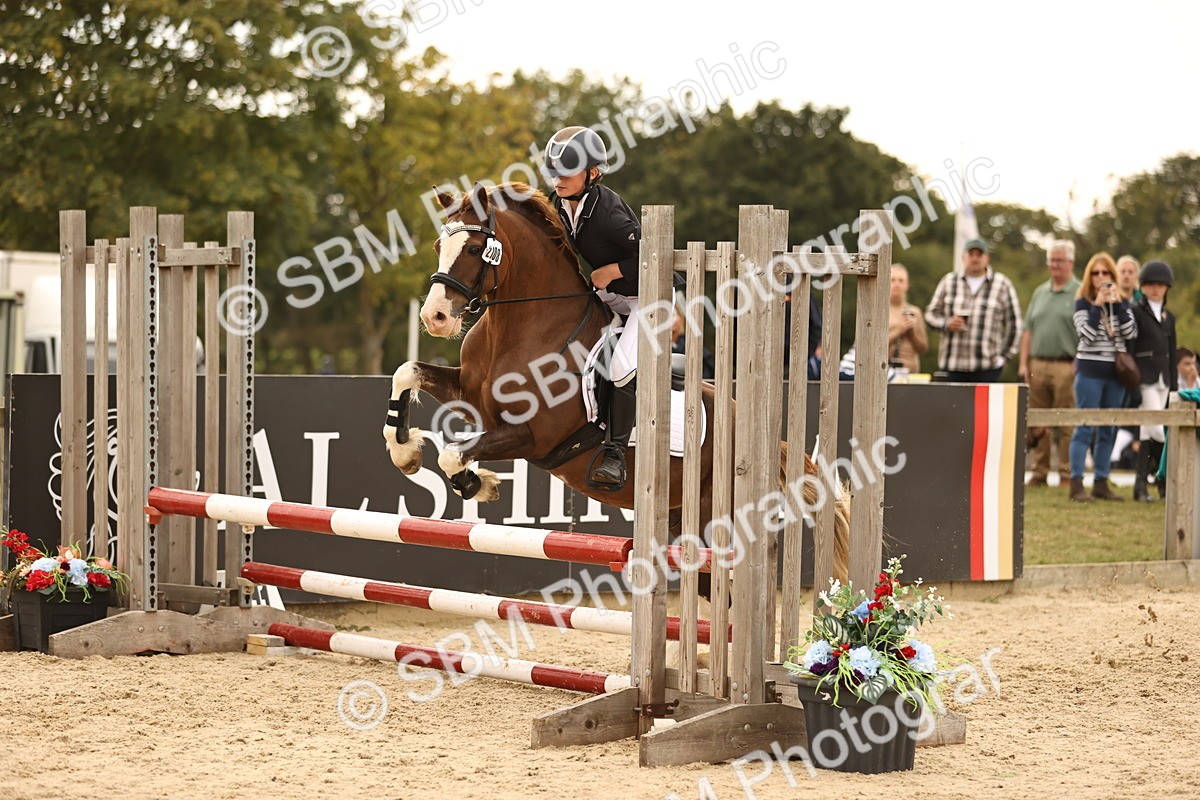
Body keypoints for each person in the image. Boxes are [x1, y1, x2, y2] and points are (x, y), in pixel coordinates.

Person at [545, 125, 640, 488]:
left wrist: (612, 270)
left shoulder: (608, 213)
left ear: (593, 173)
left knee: (620, 366)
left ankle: (615, 455)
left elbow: (658, 257)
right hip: (611, 298)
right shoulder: (560, 205)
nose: (558, 179)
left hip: (648, 300)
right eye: (554, 172)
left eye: (566, 172)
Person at [1068, 252, 1137, 503]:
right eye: (1096, 273)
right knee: (1084, 427)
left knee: (1109, 428)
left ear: (1112, 276)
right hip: (1089, 373)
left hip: (1115, 375)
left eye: (1105, 273)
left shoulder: (1122, 304)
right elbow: (1085, 335)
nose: (1101, 278)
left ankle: (1101, 481)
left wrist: (1117, 305)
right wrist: (1097, 305)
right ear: (1089, 277)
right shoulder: (1082, 303)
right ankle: (1076, 483)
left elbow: (1130, 333)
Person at [1018, 240, 1080, 488]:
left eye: (1060, 260)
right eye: (1051, 260)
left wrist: (1078, 362)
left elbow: (1086, 332)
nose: (1055, 264)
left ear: (1070, 263)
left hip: (1066, 365)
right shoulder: (1040, 292)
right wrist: (1023, 363)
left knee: (1065, 420)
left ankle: (1066, 473)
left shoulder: (1080, 291)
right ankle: (1039, 472)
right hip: (1037, 363)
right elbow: (1028, 330)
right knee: (1037, 421)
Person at [925, 238, 1022, 382]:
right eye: (971, 254)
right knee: (950, 405)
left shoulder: (1002, 284)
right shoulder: (949, 281)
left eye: (979, 254)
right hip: (952, 366)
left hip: (987, 368)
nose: (975, 258)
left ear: (987, 258)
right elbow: (930, 314)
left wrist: (1004, 357)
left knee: (983, 406)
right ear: (963, 257)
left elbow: (1015, 324)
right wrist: (947, 323)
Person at [1130, 260, 1177, 502]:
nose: (1156, 289)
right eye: (1151, 285)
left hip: (1163, 379)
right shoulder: (1137, 311)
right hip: (1145, 377)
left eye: (1160, 285)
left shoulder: (1169, 317)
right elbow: (1132, 346)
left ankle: (1141, 486)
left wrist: (1175, 387)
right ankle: (1165, 479)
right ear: (1144, 286)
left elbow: (1172, 350)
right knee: (1157, 429)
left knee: (1147, 432)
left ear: (1167, 287)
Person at [887, 264, 928, 373]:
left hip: (910, 370)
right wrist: (899, 330)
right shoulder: (879, 311)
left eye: (901, 281)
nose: (896, 284)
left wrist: (912, 332)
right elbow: (874, 346)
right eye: (893, 280)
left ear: (907, 285)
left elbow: (922, 348)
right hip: (885, 370)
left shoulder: (914, 312)